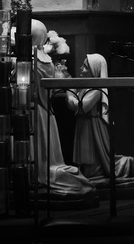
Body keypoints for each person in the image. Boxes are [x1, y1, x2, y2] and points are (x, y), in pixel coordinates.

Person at [31, 19, 95, 198]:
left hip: (33, 111)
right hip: (46, 111)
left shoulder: (30, 59)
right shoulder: (47, 60)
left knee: (37, 153)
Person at [66, 54, 134, 186]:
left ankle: (121, 165)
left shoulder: (96, 89)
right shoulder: (86, 87)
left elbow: (82, 106)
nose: (81, 68)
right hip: (84, 123)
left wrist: (70, 94)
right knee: (85, 155)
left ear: (94, 70)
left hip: (92, 125)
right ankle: (89, 172)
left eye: (85, 66)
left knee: (92, 155)